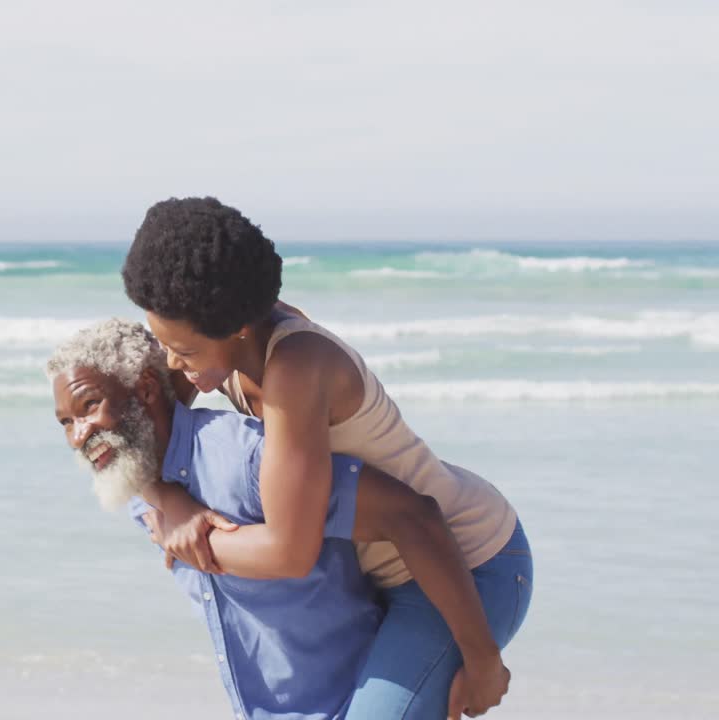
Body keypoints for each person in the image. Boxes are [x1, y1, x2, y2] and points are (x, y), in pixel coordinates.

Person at [121, 197, 533, 719]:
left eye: (185, 350)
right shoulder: (211, 341)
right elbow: (143, 438)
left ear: (235, 326)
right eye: (164, 342)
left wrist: (483, 662)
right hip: (382, 574)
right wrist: (168, 500)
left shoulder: (297, 367)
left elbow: (289, 553)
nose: (172, 362)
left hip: (466, 564)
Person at [48, 319, 515, 720]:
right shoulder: (138, 485)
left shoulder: (246, 458)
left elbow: (412, 515)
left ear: (146, 391)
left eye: (89, 407)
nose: (78, 436)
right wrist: (168, 503)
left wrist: (483, 664)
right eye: (65, 422)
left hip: (381, 664)